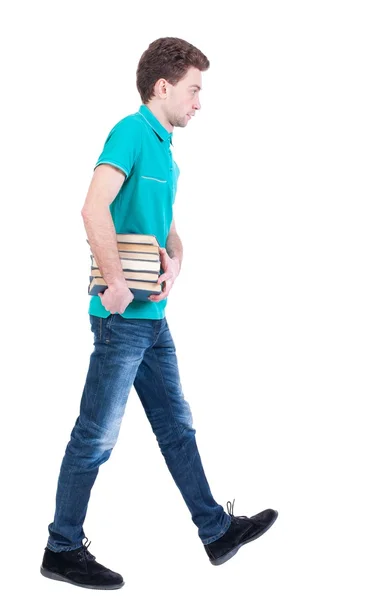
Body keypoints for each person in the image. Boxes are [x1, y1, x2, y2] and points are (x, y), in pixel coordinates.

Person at [40, 37, 278, 590]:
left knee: (177, 428)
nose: (200, 102)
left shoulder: (167, 153)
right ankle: (61, 547)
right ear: (162, 86)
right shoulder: (130, 132)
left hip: (153, 318)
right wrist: (117, 283)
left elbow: (163, 227)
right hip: (122, 319)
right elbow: (92, 205)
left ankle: (216, 532)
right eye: (194, 90)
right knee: (96, 436)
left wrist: (176, 261)